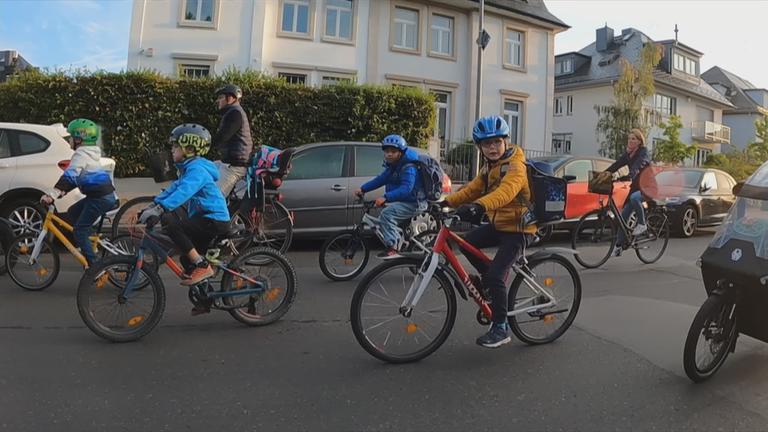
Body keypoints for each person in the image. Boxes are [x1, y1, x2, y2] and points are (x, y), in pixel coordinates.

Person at [441, 115, 537, 348]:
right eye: (486, 144)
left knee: (496, 275)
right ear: (480, 147)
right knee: (466, 244)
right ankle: (490, 285)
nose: (492, 147)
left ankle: (501, 327)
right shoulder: (490, 167)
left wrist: (479, 206)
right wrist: (446, 203)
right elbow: (471, 189)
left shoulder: (516, 165)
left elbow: (507, 191)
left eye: (496, 142)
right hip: (500, 224)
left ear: (505, 141)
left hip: (519, 228)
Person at [139, 124, 230, 297]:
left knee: (174, 227)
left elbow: (184, 192)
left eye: (175, 146)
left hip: (214, 220)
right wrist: (153, 205)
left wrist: (161, 209)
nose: (172, 150)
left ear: (189, 148)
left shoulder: (197, 170)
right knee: (186, 258)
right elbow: (175, 188)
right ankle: (206, 298)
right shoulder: (189, 168)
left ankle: (203, 266)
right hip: (205, 218)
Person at [40, 118, 117, 267]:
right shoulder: (88, 153)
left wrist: (52, 194)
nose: (69, 141)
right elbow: (75, 179)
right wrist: (60, 193)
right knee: (73, 212)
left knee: (79, 230)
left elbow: (70, 176)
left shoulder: (81, 155)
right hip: (100, 196)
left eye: (71, 137)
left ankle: (95, 267)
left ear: (79, 139)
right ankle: (88, 243)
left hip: (100, 198)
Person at [354, 134, 426, 258]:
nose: (389, 154)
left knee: (387, 215)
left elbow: (406, 189)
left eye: (393, 151)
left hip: (415, 203)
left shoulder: (409, 167)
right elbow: (381, 179)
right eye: (387, 151)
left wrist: (386, 197)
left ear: (401, 153)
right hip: (406, 201)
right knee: (387, 213)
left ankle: (395, 246)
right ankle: (404, 240)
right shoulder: (394, 166)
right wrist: (363, 188)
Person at [604, 128, 653, 257]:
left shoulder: (643, 152)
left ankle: (642, 224)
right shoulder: (628, 154)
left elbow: (638, 165)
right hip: (636, 187)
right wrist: (605, 174)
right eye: (629, 138)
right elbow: (618, 164)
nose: (630, 141)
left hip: (648, 187)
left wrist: (630, 174)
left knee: (635, 198)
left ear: (639, 141)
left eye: (633, 139)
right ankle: (620, 246)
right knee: (623, 217)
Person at [213, 84, 253, 197]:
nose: (218, 101)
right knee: (203, 172)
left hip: (235, 166)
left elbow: (222, 137)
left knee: (213, 198)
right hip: (228, 162)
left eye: (221, 97)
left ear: (230, 98)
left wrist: (203, 147)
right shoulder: (234, 112)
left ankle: (218, 214)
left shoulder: (235, 114)